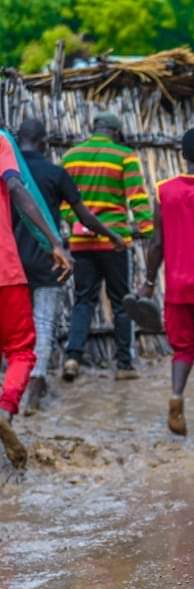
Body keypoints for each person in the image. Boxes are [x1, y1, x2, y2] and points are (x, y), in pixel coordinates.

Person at [13, 119, 124, 413]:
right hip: (47, 259)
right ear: (45, 143)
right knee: (44, 324)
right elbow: (84, 217)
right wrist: (113, 235)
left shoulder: (7, 172)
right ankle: (35, 390)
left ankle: (14, 387)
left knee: (14, 330)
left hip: (11, 262)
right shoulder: (54, 173)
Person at [140, 128, 194, 440]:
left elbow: (157, 243)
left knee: (183, 349)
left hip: (176, 286)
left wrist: (149, 282)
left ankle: (176, 395)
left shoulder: (164, 191)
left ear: (182, 156)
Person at [0, 130, 73, 468]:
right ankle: (5, 409)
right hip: (6, 270)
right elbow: (15, 188)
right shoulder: (1, 142)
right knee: (21, 350)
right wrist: (54, 241)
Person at [61, 112, 151, 382]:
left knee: (83, 300)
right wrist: (147, 230)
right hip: (114, 242)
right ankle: (124, 365)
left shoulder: (70, 157)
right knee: (121, 301)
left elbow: (64, 204)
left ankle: (73, 358)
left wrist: (79, 225)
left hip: (80, 241)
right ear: (115, 132)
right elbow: (137, 197)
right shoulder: (124, 156)